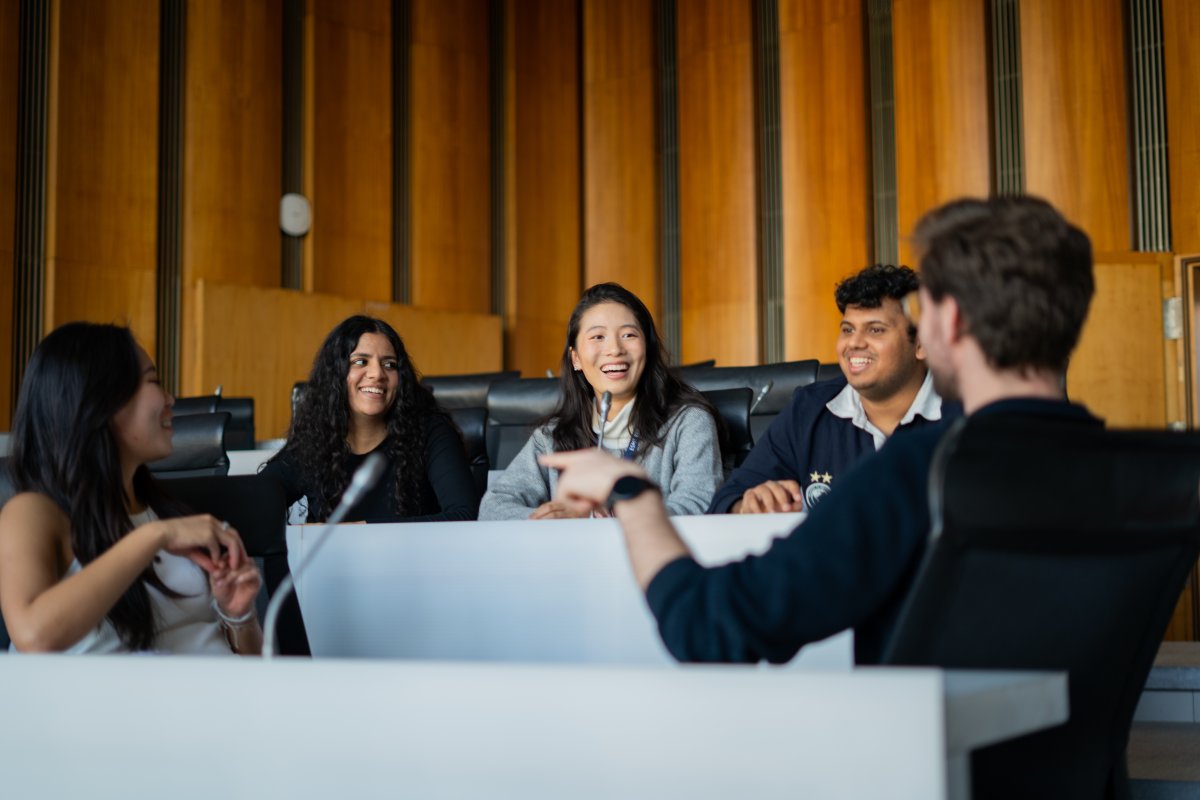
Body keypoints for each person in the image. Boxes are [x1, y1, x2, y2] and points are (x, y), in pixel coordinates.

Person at [543, 195, 1097, 666]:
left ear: (942, 327)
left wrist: (631, 493)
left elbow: (708, 627)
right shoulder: (1151, 470)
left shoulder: (914, 474)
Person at [0, 323, 263, 654]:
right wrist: (155, 537)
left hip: (226, 698)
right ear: (99, 401)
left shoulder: (163, 509)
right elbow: (33, 637)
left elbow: (250, 668)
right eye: (153, 381)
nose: (170, 399)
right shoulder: (32, 512)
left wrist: (237, 615)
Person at [708, 263, 948, 514]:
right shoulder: (809, 408)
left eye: (875, 329)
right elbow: (726, 499)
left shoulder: (964, 409)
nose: (854, 343)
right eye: (847, 330)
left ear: (922, 343)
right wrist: (747, 505)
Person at [479, 283, 722, 520]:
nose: (615, 349)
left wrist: (621, 516)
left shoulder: (688, 422)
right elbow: (493, 506)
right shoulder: (551, 436)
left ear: (647, 349)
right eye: (598, 337)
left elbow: (699, 503)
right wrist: (549, 521)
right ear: (576, 358)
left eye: (628, 335)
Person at [263, 316, 479, 523]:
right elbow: (255, 501)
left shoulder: (431, 432)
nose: (377, 373)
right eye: (360, 361)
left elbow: (465, 515)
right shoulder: (316, 440)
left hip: (412, 561)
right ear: (335, 374)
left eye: (389, 364)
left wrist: (362, 529)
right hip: (333, 562)